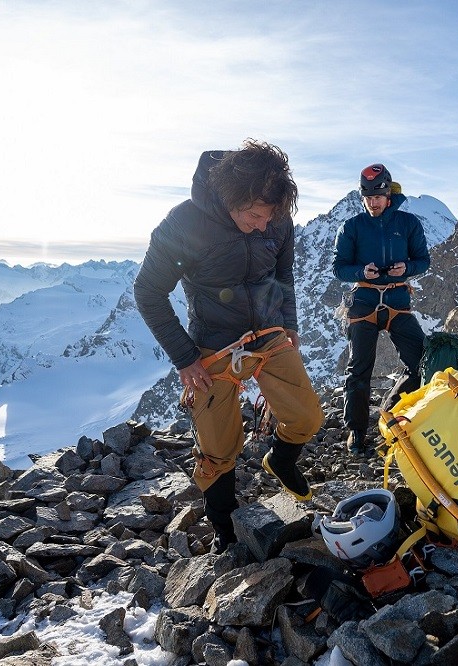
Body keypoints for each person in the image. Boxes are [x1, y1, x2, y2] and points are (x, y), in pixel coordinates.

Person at [134, 139, 325, 553]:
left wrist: (287, 323)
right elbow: (148, 292)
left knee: (308, 416)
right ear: (230, 197)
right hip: (215, 344)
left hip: (268, 332)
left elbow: (283, 272)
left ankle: (282, 460)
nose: (262, 224)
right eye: (254, 215)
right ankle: (224, 527)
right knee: (218, 447)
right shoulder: (184, 224)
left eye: (269, 217)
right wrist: (185, 358)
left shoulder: (276, 219)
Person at [332, 164, 430, 455]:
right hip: (363, 302)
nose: (373, 202)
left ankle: (392, 410)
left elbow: (423, 260)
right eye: (368, 196)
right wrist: (362, 271)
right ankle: (357, 433)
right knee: (359, 369)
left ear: (389, 194)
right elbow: (339, 268)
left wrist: (407, 268)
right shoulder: (351, 227)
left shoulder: (408, 223)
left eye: (378, 196)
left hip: (398, 302)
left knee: (421, 362)